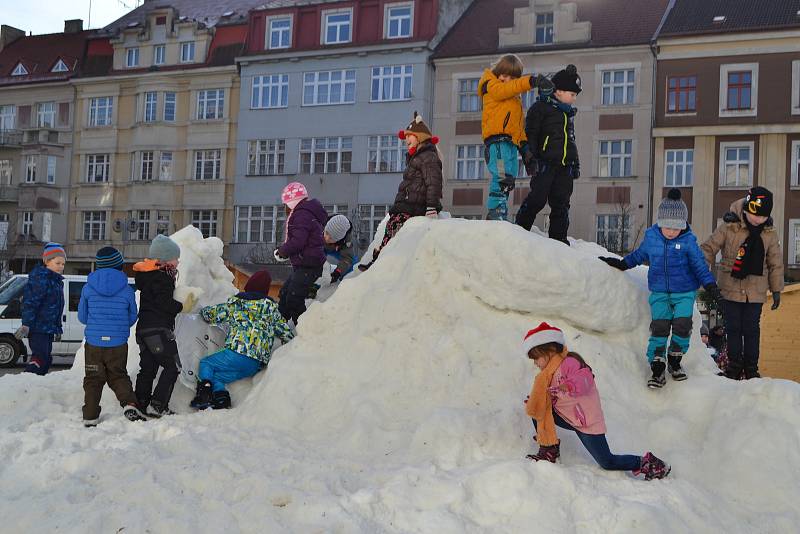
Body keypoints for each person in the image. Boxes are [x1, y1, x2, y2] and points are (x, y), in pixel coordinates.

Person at [599, 189, 722, 388]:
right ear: (659, 222)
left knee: (682, 325)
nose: (672, 232)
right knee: (660, 328)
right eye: (667, 227)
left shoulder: (688, 241)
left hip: (684, 292)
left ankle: (675, 359)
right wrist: (621, 264)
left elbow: (700, 265)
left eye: (677, 228)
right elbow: (638, 255)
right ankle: (657, 367)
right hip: (660, 292)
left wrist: (711, 287)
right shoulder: (652, 237)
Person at [522, 322, 670, 480]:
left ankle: (647, 463)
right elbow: (555, 396)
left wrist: (570, 385)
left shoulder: (569, 362)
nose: (535, 363)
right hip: (568, 416)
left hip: (586, 423)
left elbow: (585, 379)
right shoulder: (548, 374)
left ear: (550, 350)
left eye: (536, 358)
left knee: (607, 461)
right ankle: (549, 450)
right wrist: (539, 399)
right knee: (538, 409)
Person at [700, 186, 783, 380]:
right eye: (754, 215)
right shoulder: (729, 226)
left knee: (752, 330)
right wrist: (704, 276)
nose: (757, 220)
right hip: (730, 287)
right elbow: (708, 248)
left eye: (762, 217)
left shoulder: (769, 233)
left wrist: (777, 288)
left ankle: (752, 369)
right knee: (733, 329)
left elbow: (775, 262)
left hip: (756, 290)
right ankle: (734, 367)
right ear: (746, 207)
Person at [190, 270, 295, 410]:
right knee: (218, 376)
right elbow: (286, 334)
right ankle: (222, 399)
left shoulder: (237, 305)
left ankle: (204, 395)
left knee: (207, 364)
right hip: (254, 364)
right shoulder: (271, 310)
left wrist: (203, 312)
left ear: (249, 287)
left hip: (236, 354)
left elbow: (212, 314)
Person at [359, 112, 443, 271]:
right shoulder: (417, 157)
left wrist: (431, 206)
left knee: (395, 224)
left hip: (418, 205)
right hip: (409, 203)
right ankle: (380, 257)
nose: (406, 140)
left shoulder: (428, 157)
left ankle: (381, 259)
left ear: (420, 136)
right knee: (392, 223)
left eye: (409, 136)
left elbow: (433, 182)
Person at [479, 54, 554, 220]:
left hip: (510, 144)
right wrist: (531, 81)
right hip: (497, 142)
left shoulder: (514, 101)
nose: (508, 80)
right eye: (504, 76)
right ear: (497, 73)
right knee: (501, 175)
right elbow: (504, 90)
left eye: (512, 77)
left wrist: (525, 149)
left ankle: (501, 208)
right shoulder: (492, 86)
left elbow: (517, 128)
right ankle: (495, 211)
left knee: (509, 178)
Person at [79, 247, 146, 426]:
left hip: (93, 344)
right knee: (118, 375)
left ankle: (90, 416)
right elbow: (133, 316)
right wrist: (118, 328)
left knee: (93, 378)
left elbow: (82, 317)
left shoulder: (87, 288)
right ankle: (130, 404)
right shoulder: (127, 290)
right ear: (120, 265)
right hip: (117, 344)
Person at [515, 65, 581, 244]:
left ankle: (559, 239)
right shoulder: (540, 108)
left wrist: (575, 163)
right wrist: (531, 158)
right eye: (572, 94)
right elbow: (531, 134)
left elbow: (571, 140)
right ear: (558, 92)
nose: (574, 99)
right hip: (545, 163)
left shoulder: (567, 114)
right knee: (537, 198)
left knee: (561, 203)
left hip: (564, 166)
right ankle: (520, 229)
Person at [133, 234, 187, 417]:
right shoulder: (162, 278)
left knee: (147, 369)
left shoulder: (146, 276)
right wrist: (181, 305)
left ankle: (140, 403)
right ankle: (157, 405)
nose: (178, 262)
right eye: (175, 258)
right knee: (173, 366)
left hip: (143, 330)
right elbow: (164, 303)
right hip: (158, 330)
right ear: (165, 260)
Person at [275, 182, 327, 324]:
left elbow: (298, 241)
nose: (285, 208)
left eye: (285, 204)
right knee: (285, 293)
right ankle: (279, 325)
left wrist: (283, 251)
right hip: (306, 264)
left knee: (293, 296)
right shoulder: (306, 212)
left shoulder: (301, 215)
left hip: (309, 264)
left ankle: (304, 328)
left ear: (292, 202)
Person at [17, 243, 66, 375]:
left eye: (63, 264)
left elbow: (57, 307)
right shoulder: (41, 279)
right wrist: (26, 324)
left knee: (46, 358)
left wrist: (58, 327)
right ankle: (27, 382)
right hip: (38, 327)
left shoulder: (56, 281)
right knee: (40, 357)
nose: (61, 266)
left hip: (48, 328)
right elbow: (30, 303)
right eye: (58, 263)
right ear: (47, 262)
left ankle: (38, 384)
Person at [324, 214, 359, 283]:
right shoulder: (318, 228)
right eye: (326, 233)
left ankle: (346, 283)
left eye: (331, 238)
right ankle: (317, 283)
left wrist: (338, 272)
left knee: (352, 264)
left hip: (336, 249)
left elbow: (347, 258)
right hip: (319, 247)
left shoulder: (346, 240)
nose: (327, 239)